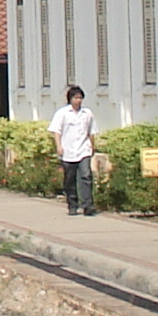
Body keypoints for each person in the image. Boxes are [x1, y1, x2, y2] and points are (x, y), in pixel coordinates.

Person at [52, 85, 97, 217]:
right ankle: (72, 204)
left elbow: (91, 131)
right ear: (70, 99)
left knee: (86, 176)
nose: (78, 100)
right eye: (75, 98)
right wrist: (59, 146)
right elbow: (56, 131)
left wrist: (92, 146)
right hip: (68, 151)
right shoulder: (62, 113)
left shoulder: (87, 114)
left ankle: (87, 205)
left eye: (80, 98)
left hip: (84, 150)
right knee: (69, 179)